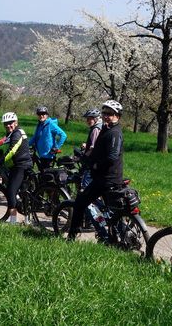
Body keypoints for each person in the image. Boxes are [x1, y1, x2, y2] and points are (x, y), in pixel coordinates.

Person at [67, 100, 125, 240]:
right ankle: (114, 237)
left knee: (80, 202)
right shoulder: (106, 128)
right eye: (104, 113)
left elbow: (112, 156)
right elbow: (98, 150)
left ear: (117, 116)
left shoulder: (114, 132)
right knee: (112, 211)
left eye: (110, 114)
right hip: (105, 178)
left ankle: (72, 236)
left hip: (106, 179)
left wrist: (96, 166)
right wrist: (86, 158)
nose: (106, 116)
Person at [0, 112, 32, 224]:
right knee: (23, 192)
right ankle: (27, 220)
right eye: (5, 123)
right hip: (23, 164)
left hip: (20, 165)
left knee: (11, 192)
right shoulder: (15, 132)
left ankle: (13, 221)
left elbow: (12, 150)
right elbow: (4, 141)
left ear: (16, 122)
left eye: (10, 123)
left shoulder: (16, 134)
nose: (8, 125)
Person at [28, 106, 67, 171]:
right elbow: (35, 137)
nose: (41, 116)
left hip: (48, 155)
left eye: (43, 114)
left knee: (46, 174)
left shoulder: (50, 124)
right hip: (41, 154)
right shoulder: (40, 125)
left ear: (47, 115)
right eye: (39, 114)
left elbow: (63, 135)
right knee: (41, 172)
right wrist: (26, 145)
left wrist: (56, 148)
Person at [80, 108, 103, 189]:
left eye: (90, 119)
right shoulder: (101, 126)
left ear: (96, 119)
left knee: (85, 184)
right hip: (99, 160)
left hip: (92, 160)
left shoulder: (95, 129)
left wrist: (84, 156)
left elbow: (93, 147)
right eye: (87, 119)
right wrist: (87, 145)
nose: (88, 121)